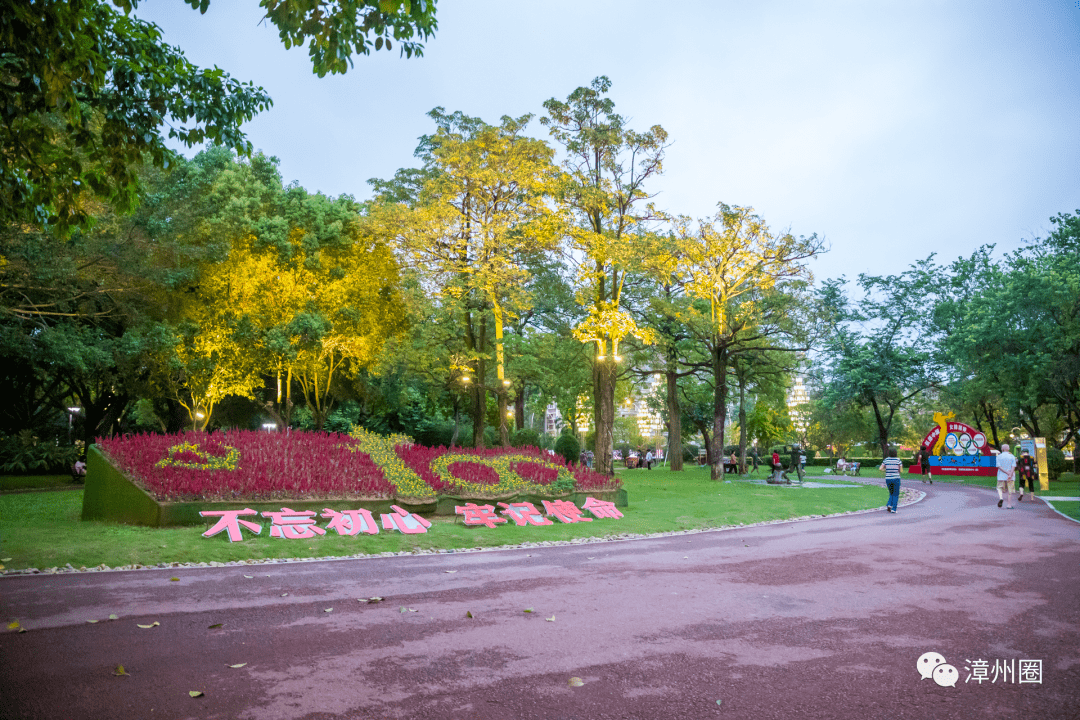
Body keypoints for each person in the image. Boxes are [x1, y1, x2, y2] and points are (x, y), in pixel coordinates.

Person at [879, 447, 903, 513]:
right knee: (896, 493)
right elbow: (901, 470)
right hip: (896, 478)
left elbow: (880, 468)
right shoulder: (898, 460)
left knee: (891, 493)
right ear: (896, 453)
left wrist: (886, 470)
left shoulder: (886, 460)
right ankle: (894, 509)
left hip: (888, 478)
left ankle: (889, 504)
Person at [996, 443, 1017, 509]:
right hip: (1010, 476)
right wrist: (1010, 474)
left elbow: (999, 466)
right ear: (1008, 449)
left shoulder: (999, 456)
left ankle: (1001, 498)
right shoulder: (1012, 456)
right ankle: (1009, 505)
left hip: (1001, 476)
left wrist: (1006, 472)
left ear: (1002, 449)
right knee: (1010, 490)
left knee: (999, 487)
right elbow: (1013, 466)